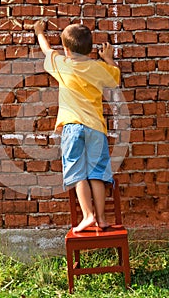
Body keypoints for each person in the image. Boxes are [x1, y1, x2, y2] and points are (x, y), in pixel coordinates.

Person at [34, 20, 120, 232]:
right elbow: (115, 77)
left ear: (66, 49)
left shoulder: (63, 64)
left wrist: (39, 32)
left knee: (77, 172)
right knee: (97, 173)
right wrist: (108, 58)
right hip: (96, 129)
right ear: (90, 49)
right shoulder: (98, 68)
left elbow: (46, 50)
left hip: (73, 127)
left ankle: (87, 215)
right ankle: (101, 219)